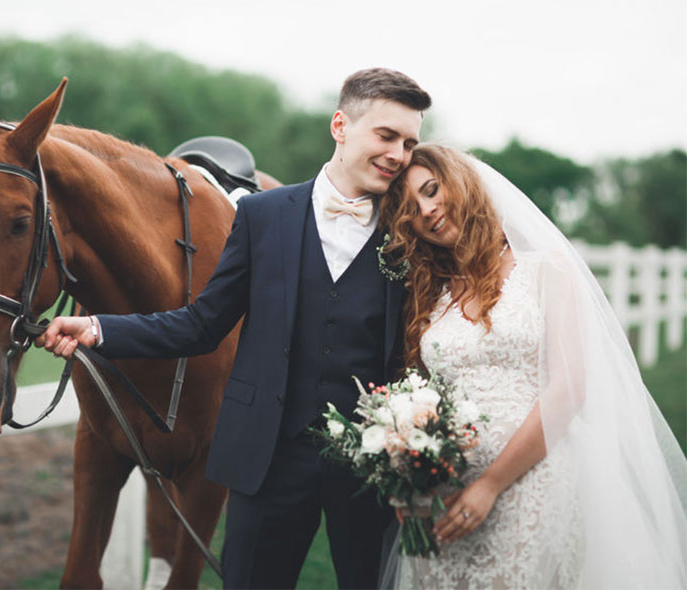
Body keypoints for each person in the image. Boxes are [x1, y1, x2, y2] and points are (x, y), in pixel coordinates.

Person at [36, 67, 432, 588]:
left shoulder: (409, 230)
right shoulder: (263, 215)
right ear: (340, 126)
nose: (399, 154)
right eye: (386, 136)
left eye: (409, 142)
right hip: (267, 463)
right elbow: (201, 324)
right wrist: (99, 329)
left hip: (368, 471)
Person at [377, 144, 687, 588]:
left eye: (431, 190)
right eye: (411, 208)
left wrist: (490, 485)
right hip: (445, 497)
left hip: (532, 481)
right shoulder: (428, 293)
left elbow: (569, 389)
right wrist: (411, 477)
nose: (426, 210)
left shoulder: (545, 270)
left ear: (462, 182)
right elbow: (420, 398)